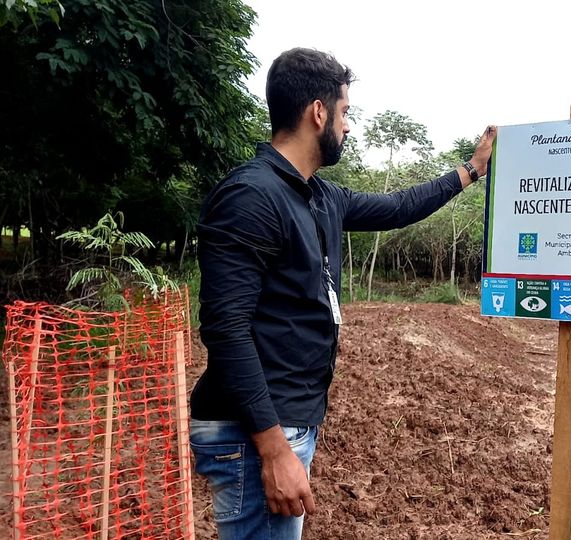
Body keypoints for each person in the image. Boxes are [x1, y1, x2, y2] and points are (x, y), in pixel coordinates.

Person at [188, 47, 496, 539]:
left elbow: (398, 206)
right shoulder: (251, 197)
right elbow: (225, 331)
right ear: (318, 112)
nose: (348, 126)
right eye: (346, 112)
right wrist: (274, 450)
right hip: (254, 433)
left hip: (282, 425)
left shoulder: (319, 194)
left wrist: (472, 169)